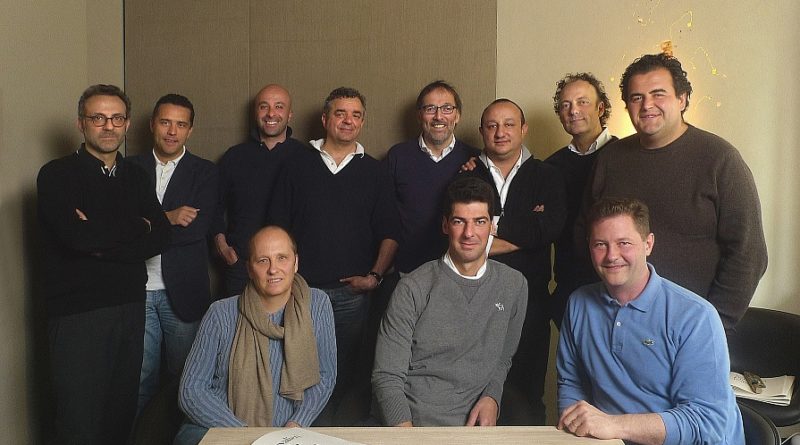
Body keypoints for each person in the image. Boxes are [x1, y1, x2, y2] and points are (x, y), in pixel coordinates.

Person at [582, 53, 767, 330]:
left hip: (691, 327)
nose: (647, 105)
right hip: (617, 321)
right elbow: (587, 232)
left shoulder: (720, 159)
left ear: (682, 99)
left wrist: (714, 323)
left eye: (658, 94)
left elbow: (749, 253)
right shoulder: (611, 159)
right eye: (636, 97)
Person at [37, 84, 169, 444]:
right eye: (98, 118)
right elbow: (78, 239)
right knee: (79, 421)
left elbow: (161, 236)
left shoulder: (137, 176)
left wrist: (101, 239)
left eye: (116, 118)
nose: (108, 126)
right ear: (81, 123)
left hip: (130, 308)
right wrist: (138, 225)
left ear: (127, 124)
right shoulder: (56, 175)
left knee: (120, 417)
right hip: (78, 315)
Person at [557, 197, 744, 444]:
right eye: (600, 244)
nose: (612, 256)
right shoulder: (578, 304)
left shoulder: (696, 317)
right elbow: (571, 382)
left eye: (624, 243)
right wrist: (576, 430)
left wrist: (614, 425)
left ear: (648, 244)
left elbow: (705, 423)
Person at [269, 87, 400, 424]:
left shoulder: (375, 172)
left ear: (363, 122)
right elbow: (276, 230)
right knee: (293, 370)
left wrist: (374, 277)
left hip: (350, 296)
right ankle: (297, 432)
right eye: (341, 113)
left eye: (356, 115)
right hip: (300, 293)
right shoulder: (295, 165)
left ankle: (333, 434)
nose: (348, 121)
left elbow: (390, 232)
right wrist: (285, 280)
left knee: (343, 375)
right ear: (325, 119)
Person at [372, 177, 527, 426]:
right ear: (445, 225)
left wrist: (492, 397)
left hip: (474, 429)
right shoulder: (413, 287)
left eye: (479, 222)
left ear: (492, 226)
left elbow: (503, 358)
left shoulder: (514, 285)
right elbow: (387, 376)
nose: (469, 233)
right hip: (415, 424)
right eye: (459, 221)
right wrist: (406, 435)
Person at [175, 226, 336, 445]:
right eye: (263, 261)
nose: (273, 269)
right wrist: (245, 435)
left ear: (296, 263)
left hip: (290, 433)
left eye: (282, 258)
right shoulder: (220, 313)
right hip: (222, 428)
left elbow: (325, 375)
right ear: (249, 269)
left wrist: (297, 424)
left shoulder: (317, 304)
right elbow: (191, 390)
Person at [460, 99, 566, 424]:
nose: (500, 132)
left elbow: (548, 230)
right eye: (492, 125)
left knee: (528, 394)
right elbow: (462, 239)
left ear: (523, 129)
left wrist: (492, 228)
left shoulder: (547, 175)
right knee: (474, 392)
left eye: (509, 124)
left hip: (532, 300)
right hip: (474, 300)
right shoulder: (466, 175)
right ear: (481, 131)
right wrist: (526, 232)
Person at [128, 93, 219, 414]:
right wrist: (169, 217)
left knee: (186, 380)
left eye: (180, 125)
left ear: (190, 130)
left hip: (183, 290)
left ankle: (180, 436)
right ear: (152, 125)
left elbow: (196, 230)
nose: (172, 131)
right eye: (165, 122)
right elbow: (118, 228)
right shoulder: (129, 169)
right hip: (136, 289)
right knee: (139, 378)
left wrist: (142, 224)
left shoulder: (205, 173)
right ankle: (141, 436)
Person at [212, 84, 307, 297]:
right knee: (237, 320)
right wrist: (223, 248)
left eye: (279, 106)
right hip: (241, 267)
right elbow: (214, 206)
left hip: (289, 271)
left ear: (290, 114)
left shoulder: (306, 158)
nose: (271, 113)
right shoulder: (234, 157)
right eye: (264, 106)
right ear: (256, 112)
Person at [384, 80, 480, 275]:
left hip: (460, 271)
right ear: (419, 115)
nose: (438, 116)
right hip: (409, 271)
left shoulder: (475, 160)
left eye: (447, 108)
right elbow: (385, 218)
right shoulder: (397, 156)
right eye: (430, 109)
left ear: (457, 115)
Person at [545, 73, 617, 328]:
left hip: (614, 287)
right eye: (565, 105)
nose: (573, 111)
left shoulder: (625, 157)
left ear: (601, 108)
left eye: (582, 102)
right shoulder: (551, 167)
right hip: (568, 288)